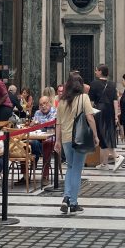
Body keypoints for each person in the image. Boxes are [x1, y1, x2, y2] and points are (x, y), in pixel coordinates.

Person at [54, 73, 99, 214]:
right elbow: (90, 118)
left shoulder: (62, 101)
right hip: (79, 138)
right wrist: (95, 135)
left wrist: (57, 141)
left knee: (70, 167)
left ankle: (66, 197)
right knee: (77, 170)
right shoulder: (83, 97)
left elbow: (58, 123)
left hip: (66, 139)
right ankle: (73, 202)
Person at [89, 63, 120, 169]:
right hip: (110, 111)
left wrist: (90, 113)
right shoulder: (112, 84)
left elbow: (91, 101)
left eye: (96, 70)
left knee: (102, 135)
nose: (95, 72)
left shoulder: (94, 84)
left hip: (99, 111)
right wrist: (116, 115)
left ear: (100, 72)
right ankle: (104, 163)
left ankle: (116, 156)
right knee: (107, 134)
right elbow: (115, 101)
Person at [30, 95, 57, 183]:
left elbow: (51, 123)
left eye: (45, 103)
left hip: (51, 138)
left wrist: (38, 123)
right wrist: (34, 124)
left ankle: (45, 175)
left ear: (49, 103)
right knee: (28, 142)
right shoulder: (37, 113)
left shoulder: (54, 111)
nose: (43, 106)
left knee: (46, 144)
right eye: (41, 104)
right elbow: (33, 125)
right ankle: (25, 176)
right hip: (38, 137)